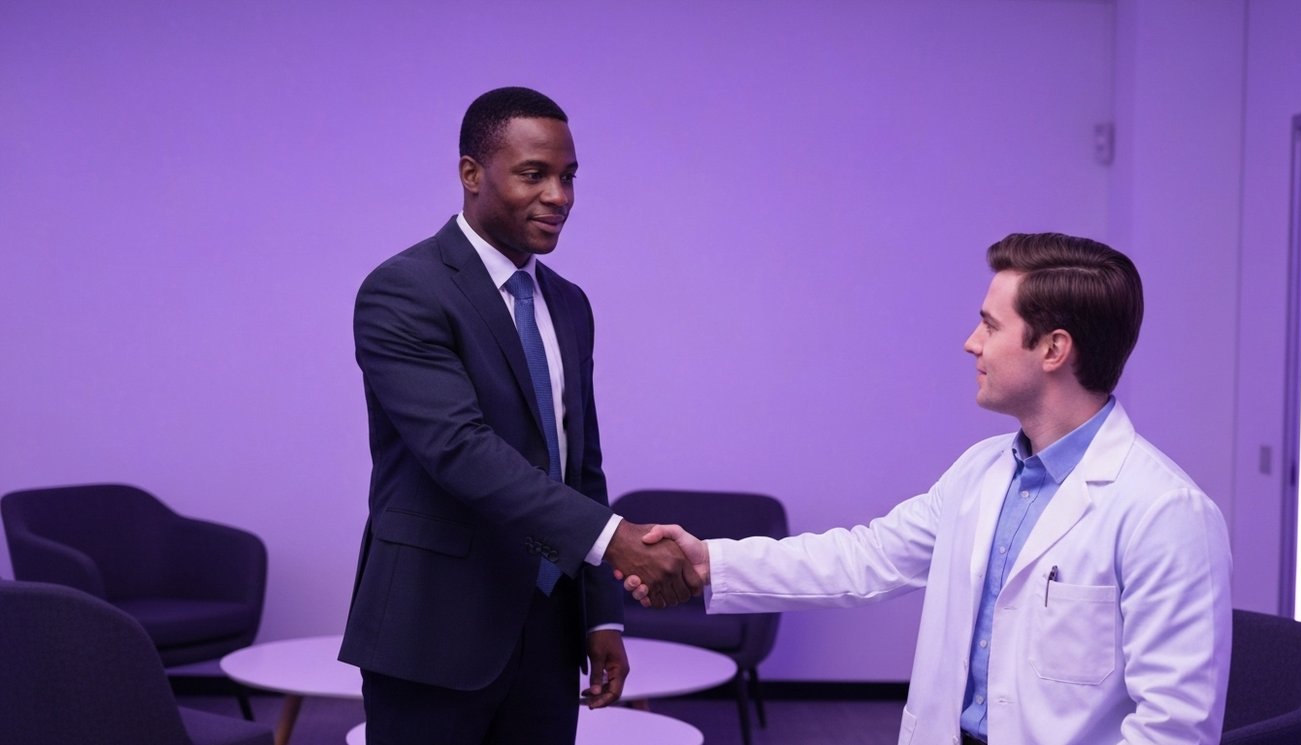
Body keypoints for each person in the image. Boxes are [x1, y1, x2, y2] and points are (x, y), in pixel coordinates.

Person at [623, 233, 1233, 745]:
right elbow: (864, 560)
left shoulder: (1166, 514)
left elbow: (1173, 729)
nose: (972, 342)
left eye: (990, 325)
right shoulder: (982, 471)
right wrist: (708, 562)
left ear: (1053, 349)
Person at [340, 86, 698, 745]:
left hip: (547, 634)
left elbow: (577, 465)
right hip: (433, 629)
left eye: (568, 177)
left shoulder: (569, 303)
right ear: (471, 174)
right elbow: (460, 449)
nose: (558, 195)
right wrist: (613, 538)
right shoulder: (404, 289)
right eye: (534, 174)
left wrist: (601, 615)